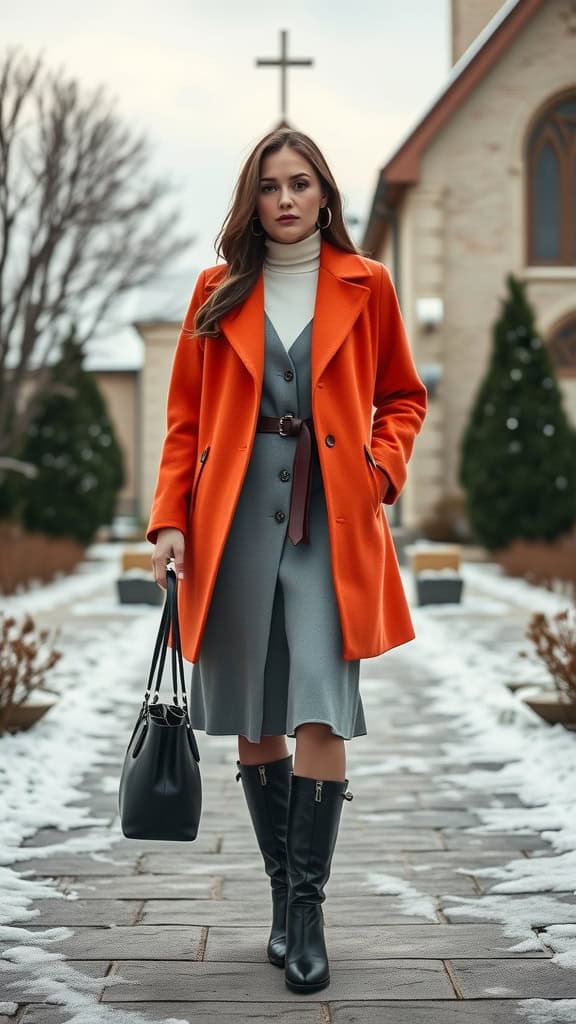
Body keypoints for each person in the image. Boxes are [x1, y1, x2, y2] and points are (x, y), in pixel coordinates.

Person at [147, 127, 427, 994]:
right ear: (252, 200)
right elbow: (185, 422)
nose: (288, 198)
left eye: (302, 183)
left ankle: (308, 913)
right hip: (230, 524)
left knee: (320, 708)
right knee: (256, 718)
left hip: (331, 523)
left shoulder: (367, 284)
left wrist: (380, 470)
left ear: (325, 194)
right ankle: (279, 897)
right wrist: (170, 522)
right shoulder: (216, 291)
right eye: (271, 186)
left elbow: (403, 398)